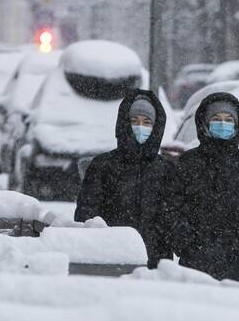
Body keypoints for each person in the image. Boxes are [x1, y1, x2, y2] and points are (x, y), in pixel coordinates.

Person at [162, 91, 239, 282]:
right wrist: (183, 238)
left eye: (228, 119)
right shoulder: (187, 163)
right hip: (195, 262)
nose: (222, 124)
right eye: (216, 119)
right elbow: (171, 206)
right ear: (205, 123)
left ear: (237, 124)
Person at [74, 89, 174, 267]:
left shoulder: (166, 169)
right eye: (134, 121)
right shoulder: (103, 165)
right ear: (124, 124)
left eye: (146, 122)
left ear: (156, 127)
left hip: (156, 263)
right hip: (111, 259)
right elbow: (87, 216)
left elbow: (172, 219)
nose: (140, 127)